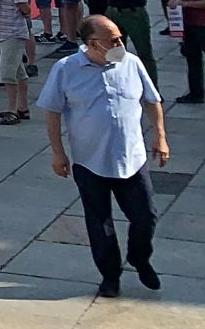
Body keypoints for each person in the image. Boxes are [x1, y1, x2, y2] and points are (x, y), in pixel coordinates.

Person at [39, 15, 170, 298]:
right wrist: (58, 152)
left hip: (131, 158)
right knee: (100, 223)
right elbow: (52, 111)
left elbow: (152, 100)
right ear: (92, 44)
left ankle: (139, 257)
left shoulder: (131, 63)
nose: (119, 44)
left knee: (146, 217)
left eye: (120, 38)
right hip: (89, 161)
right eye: (113, 40)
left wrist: (159, 136)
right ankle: (110, 276)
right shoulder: (66, 69)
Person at [175, 0, 205, 104]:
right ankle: (196, 93)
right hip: (190, 22)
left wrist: (185, 3)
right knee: (192, 59)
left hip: (202, 23)